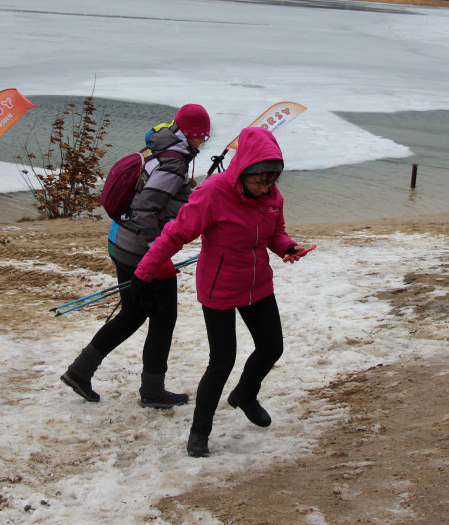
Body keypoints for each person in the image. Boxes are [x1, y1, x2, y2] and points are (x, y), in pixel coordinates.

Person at [133, 127, 308, 458]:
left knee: (272, 347)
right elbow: (174, 234)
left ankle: (245, 394)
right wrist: (144, 273)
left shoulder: (272, 197)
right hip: (219, 287)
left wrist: (286, 246)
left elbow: (276, 232)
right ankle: (199, 433)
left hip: (257, 283)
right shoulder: (213, 193)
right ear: (243, 172)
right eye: (260, 181)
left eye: (272, 180)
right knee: (222, 360)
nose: (266, 187)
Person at [61, 103, 211, 408]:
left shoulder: (158, 145)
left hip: (120, 241)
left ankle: (80, 371)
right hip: (142, 251)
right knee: (163, 318)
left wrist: (185, 191)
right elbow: (146, 211)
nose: (203, 143)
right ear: (193, 135)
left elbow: (152, 193)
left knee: (133, 314)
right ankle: (152, 392)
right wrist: (159, 256)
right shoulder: (174, 162)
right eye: (202, 138)